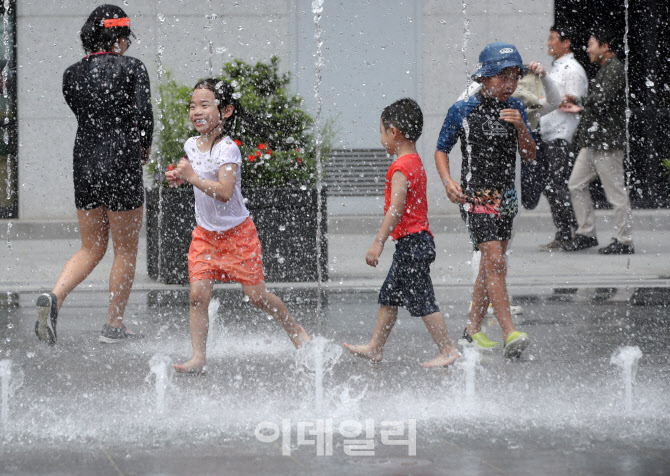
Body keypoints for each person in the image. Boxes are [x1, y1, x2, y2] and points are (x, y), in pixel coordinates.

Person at [165, 79, 310, 374]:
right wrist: (181, 176)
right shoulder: (191, 145)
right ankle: (198, 357)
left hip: (238, 236)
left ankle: (295, 329)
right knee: (197, 296)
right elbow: (193, 167)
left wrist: (191, 176)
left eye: (205, 105)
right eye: (193, 106)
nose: (196, 111)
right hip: (205, 235)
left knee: (257, 298)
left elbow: (224, 191)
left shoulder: (228, 150)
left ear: (226, 110)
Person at [35, 4, 153, 345]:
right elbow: (144, 116)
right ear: (117, 37)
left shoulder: (72, 73)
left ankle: (55, 297)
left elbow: (83, 112)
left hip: (84, 161)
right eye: (126, 37)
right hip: (121, 160)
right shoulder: (133, 68)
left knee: (91, 246)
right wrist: (143, 147)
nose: (128, 44)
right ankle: (114, 325)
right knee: (125, 250)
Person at [343, 98, 461, 368]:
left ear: (393, 132)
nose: (382, 138)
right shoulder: (415, 161)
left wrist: (378, 243)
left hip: (412, 244)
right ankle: (375, 346)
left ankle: (448, 349)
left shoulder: (400, 168)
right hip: (416, 242)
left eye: (382, 132)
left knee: (422, 299)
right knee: (390, 296)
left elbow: (395, 210)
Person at [434, 42, 534, 358]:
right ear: (485, 78)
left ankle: (472, 331)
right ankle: (509, 332)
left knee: (489, 267)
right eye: (502, 77)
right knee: (495, 262)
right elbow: (441, 149)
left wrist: (520, 127)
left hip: (505, 197)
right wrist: (448, 181)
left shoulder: (517, 107)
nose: (509, 85)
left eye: (515, 77)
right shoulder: (463, 109)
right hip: (477, 195)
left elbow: (529, 155)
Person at [560, 27, 634, 254]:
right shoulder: (605, 69)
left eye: (591, 44)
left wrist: (580, 100)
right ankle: (586, 234)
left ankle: (625, 241)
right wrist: (580, 108)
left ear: (605, 47)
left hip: (607, 143)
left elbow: (603, 100)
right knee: (576, 184)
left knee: (615, 192)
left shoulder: (614, 69)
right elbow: (601, 106)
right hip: (594, 142)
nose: (588, 49)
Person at [528, 25, 589, 251]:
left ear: (566, 43)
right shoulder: (557, 68)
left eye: (553, 39)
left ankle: (570, 231)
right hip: (549, 133)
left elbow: (574, 102)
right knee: (551, 185)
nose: (548, 43)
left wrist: (541, 100)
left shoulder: (572, 69)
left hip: (562, 135)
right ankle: (564, 231)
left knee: (558, 184)